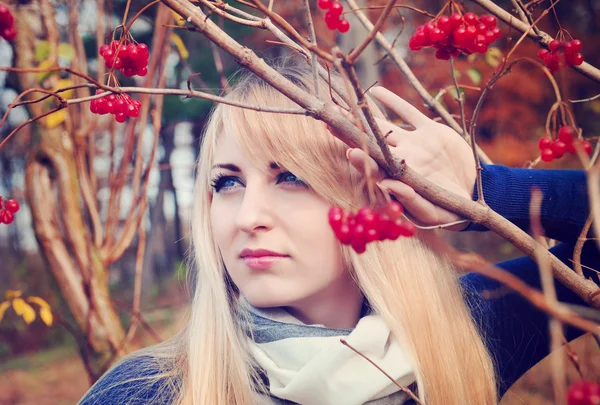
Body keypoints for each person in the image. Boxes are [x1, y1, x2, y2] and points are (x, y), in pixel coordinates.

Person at [78, 57, 599, 405]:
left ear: (372, 193)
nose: (246, 216)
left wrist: (484, 189)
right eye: (227, 183)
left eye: (292, 178)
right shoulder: (147, 393)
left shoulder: (466, 331)